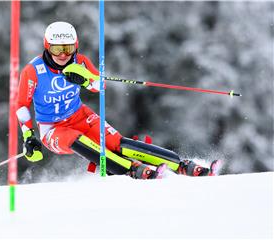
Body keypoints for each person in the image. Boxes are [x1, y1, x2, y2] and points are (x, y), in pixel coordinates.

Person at [16, 21, 218, 180]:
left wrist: (86, 80)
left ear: (75, 46)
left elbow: (100, 85)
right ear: (47, 46)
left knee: (115, 142)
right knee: (76, 140)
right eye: (56, 49)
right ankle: (131, 169)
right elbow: (21, 105)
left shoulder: (81, 62)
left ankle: (181, 165)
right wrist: (28, 136)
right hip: (52, 128)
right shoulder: (33, 71)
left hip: (81, 116)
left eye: (68, 48)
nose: (63, 55)